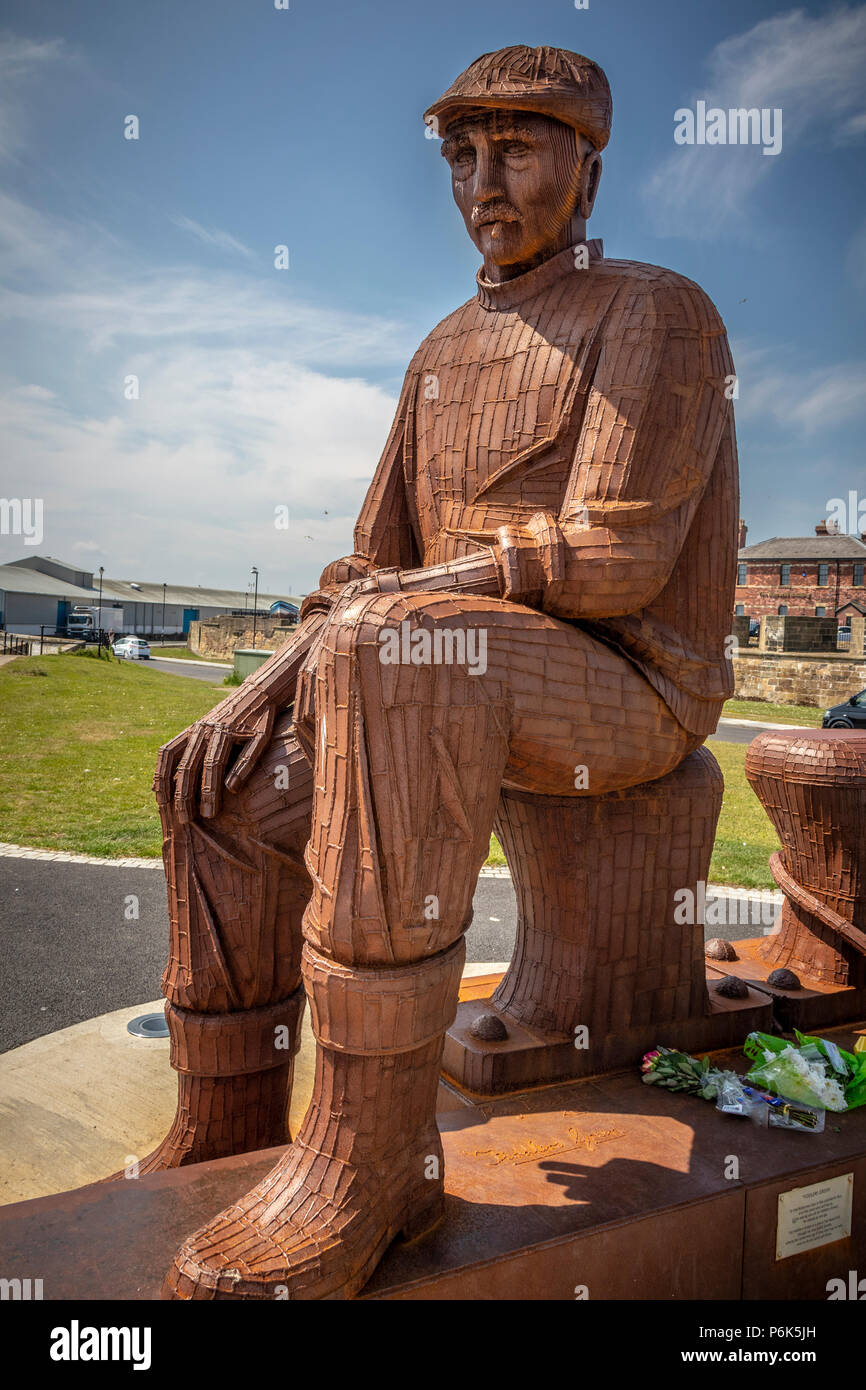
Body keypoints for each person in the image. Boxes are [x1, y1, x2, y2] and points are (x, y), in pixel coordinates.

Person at [141, 46, 737, 1299]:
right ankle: (235, 1116)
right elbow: (365, 565)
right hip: (457, 665)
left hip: (628, 682)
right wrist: (278, 664)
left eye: (515, 148)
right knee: (219, 781)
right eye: (461, 154)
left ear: (586, 163)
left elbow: (618, 553)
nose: (481, 181)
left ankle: (372, 1163)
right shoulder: (439, 351)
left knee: (397, 652)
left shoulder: (654, 308)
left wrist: (380, 614)